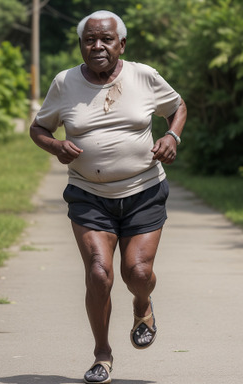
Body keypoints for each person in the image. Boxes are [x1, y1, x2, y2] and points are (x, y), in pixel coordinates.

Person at [30, 10, 187, 384]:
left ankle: (142, 303)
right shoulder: (64, 82)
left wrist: (172, 136)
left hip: (144, 191)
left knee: (138, 273)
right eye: (89, 40)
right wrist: (55, 145)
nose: (97, 46)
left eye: (106, 39)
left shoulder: (143, 76)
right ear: (81, 45)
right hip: (89, 195)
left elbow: (177, 107)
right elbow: (39, 127)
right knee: (99, 274)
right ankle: (102, 354)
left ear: (121, 44)